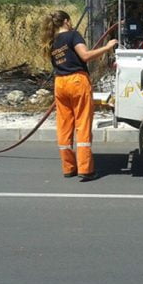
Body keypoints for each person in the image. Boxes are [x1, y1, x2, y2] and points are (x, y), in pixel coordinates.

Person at [40, 10, 118, 181]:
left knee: (64, 125)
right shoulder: (73, 35)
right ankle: (85, 169)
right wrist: (107, 47)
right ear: (66, 21)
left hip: (60, 83)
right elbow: (85, 56)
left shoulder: (52, 42)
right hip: (77, 81)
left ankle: (68, 168)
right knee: (82, 124)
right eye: (70, 21)